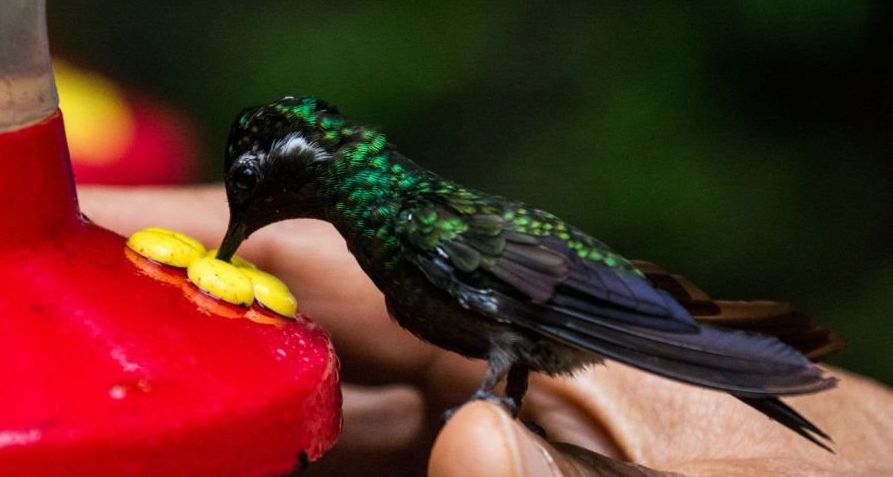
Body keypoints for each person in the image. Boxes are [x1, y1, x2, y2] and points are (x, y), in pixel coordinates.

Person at [80, 185, 893, 476]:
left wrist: (498, 418)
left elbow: (528, 303)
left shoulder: (422, 229)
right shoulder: (392, 227)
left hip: (559, 304)